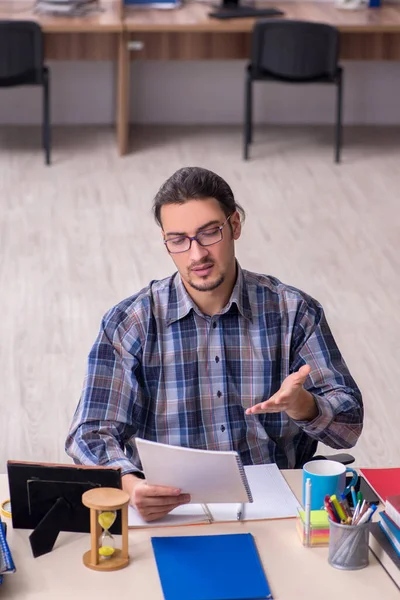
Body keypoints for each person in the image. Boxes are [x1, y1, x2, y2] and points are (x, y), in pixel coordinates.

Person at [66, 166, 363, 522]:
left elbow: (349, 427)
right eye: (178, 240)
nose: (196, 255)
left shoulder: (294, 311)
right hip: (170, 507)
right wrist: (130, 484)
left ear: (234, 225)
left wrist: (305, 405)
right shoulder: (131, 322)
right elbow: (90, 432)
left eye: (210, 233)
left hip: (273, 505)